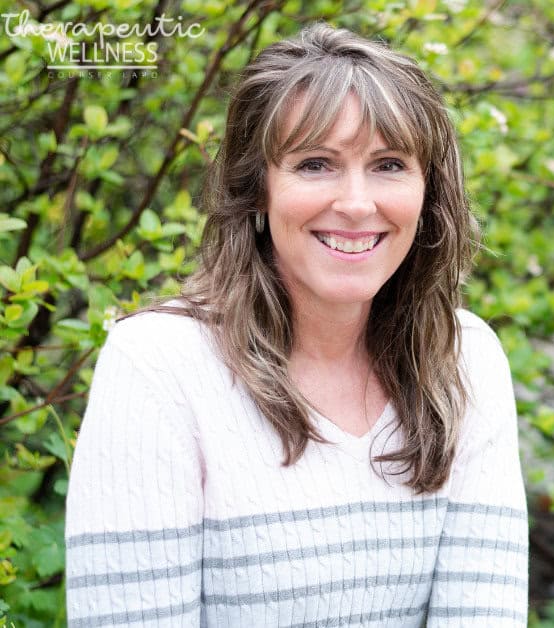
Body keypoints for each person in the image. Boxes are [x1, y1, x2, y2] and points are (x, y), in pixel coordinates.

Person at [63, 23, 528, 626]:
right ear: (257, 188)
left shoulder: (464, 359)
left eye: (389, 164)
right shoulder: (158, 365)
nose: (358, 203)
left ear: (427, 191)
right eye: (315, 164)